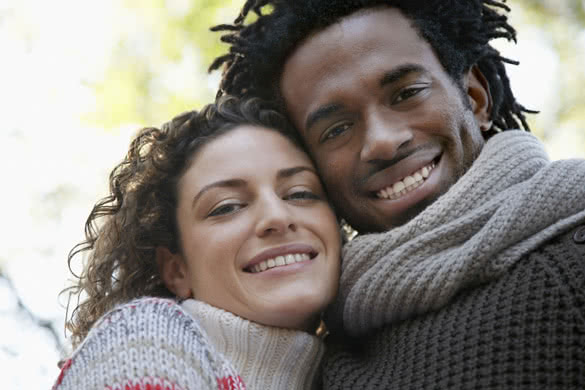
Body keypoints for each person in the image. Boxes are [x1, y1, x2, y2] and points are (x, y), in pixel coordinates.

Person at [210, 1, 585, 388]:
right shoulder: (309, 355)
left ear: (475, 97)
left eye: (406, 94)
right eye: (336, 130)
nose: (383, 142)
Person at [53, 96, 341, 390]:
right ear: (177, 270)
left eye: (300, 193)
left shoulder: (361, 367)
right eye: (227, 207)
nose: (277, 216)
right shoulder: (143, 340)